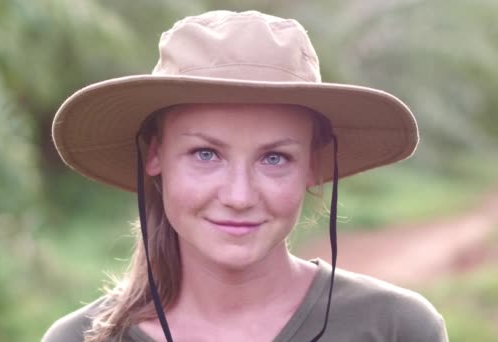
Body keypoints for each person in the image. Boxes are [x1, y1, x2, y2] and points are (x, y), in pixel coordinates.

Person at [43, 10, 448, 342]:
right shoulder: (82, 338)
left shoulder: (397, 328)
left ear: (313, 164)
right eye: (206, 154)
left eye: (274, 158)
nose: (239, 196)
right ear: (155, 154)